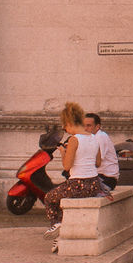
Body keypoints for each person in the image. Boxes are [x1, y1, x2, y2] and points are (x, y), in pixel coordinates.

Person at [43, 102, 105, 240]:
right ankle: (59, 235)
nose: (65, 129)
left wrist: (63, 152)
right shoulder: (94, 138)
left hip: (78, 184)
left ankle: (57, 225)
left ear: (70, 123)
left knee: (49, 198)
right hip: (94, 184)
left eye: (65, 126)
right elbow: (98, 162)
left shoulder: (74, 140)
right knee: (59, 196)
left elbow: (67, 166)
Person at [84, 112, 120, 191]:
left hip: (106, 179)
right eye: (84, 125)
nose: (85, 129)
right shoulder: (91, 138)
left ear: (97, 127)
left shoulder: (100, 137)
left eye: (89, 125)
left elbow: (96, 162)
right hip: (97, 177)